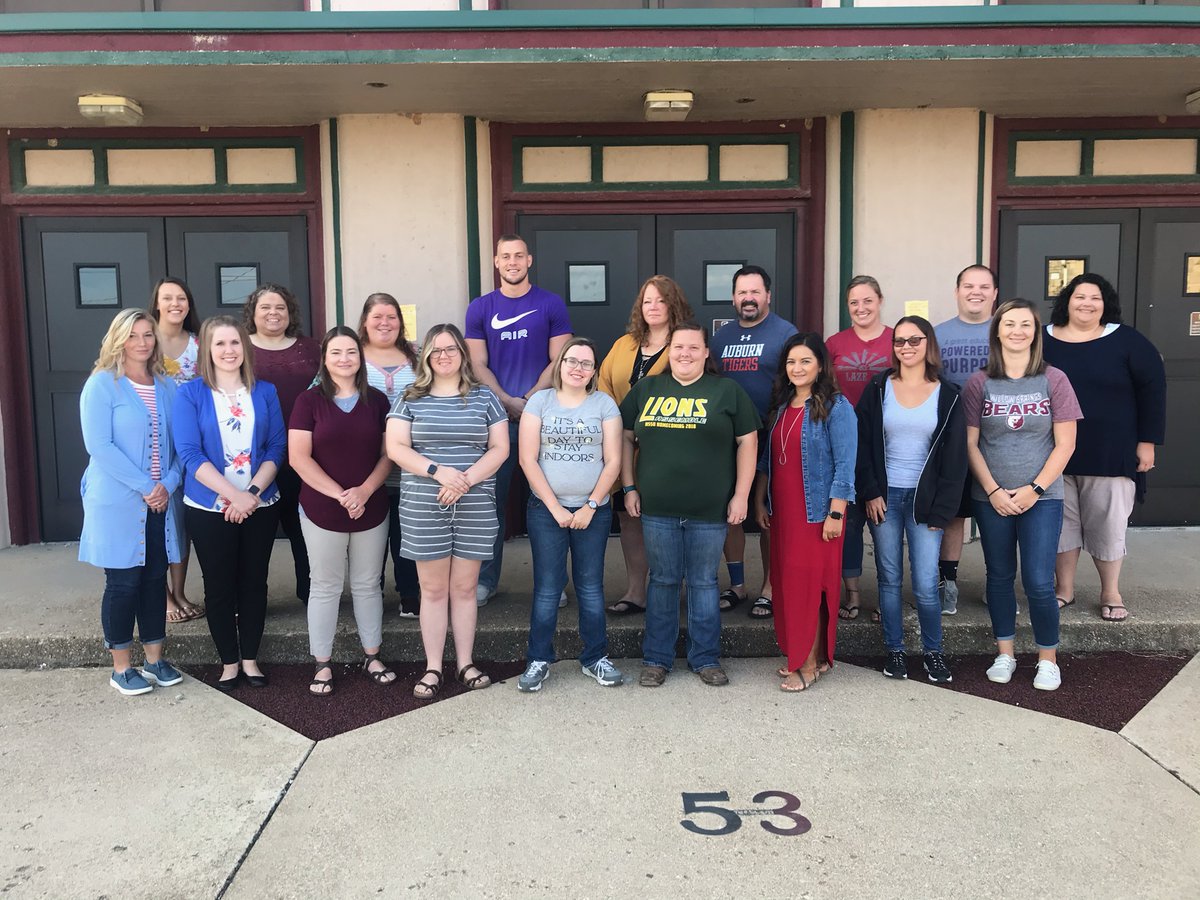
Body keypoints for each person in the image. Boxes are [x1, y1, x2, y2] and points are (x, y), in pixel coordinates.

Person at [620, 322, 759, 688]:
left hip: (709, 510)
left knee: (703, 582)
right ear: (669, 350)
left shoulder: (727, 391)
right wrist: (628, 486)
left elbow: (748, 441)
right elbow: (624, 436)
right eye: (678, 346)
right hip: (657, 509)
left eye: (694, 347)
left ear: (706, 352)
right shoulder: (647, 388)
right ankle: (656, 659)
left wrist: (741, 494)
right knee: (663, 581)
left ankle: (706, 658)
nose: (685, 353)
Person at [386, 324, 509, 700]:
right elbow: (396, 448)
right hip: (424, 504)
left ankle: (466, 663)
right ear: (426, 357)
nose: (443, 355)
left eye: (451, 348)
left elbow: (500, 449)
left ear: (462, 354)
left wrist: (465, 481)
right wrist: (440, 473)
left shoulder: (485, 398)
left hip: (474, 503)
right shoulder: (409, 397)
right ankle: (434, 666)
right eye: (435, 350)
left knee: (465, 588)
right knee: (434, 590)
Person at [964, 299, 1081, 692]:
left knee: (1038, 580)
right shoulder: (979, 383)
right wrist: (993, 490)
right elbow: (970, 445)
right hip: (991, 499)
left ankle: (1047, 659)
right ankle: (1006, 653)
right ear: (997, 331)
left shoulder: (1055, 380)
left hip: (1042, 499)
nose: (1017, 331)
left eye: (1025, 324)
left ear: (1036, 331)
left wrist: (1034, 489)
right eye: (1009, 324)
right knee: (998, 576)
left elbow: (1065, 444)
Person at [1043, 273, 1166, 622]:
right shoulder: (1043, 339)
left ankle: (1110, 591)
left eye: (1095, 298)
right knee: (1061, 526)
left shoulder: (1127, 341)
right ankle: (1063, 589)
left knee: (1108, 524)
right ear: (1066, 300)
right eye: (1079, 296)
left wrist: (1147, 443)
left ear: (1105, 304)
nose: (1086, 303)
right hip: (1052, 453)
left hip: (1111, 451)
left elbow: (1153, 392)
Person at [174, 315, 286, 692]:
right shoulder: (189, 394)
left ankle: (251, 659)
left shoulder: (265, 391)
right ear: (207, 349)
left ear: (245, 348)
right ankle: (228, 662)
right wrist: (232, 495)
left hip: (260, 504)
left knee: (254, 581)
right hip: (209, 507)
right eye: (219, 344)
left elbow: (276, 447)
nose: (228, 351)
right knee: (219, 585)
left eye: (235, 343)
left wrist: (250, 495)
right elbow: (190, 454)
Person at [79, 309, 185, 696]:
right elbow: (99, 446)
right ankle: (121, 667)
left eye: (148, 335)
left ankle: (155, 660)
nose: (142, 342)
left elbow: (178, 445)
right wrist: (145, 484)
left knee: (155, 579)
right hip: (119, 501)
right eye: (133, 335)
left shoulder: (167, 386)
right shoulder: (102, 385)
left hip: (159, 500)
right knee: (123, 582)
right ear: (117, 339)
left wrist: (168, 483)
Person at [856, 317, 967, 684]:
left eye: (914, 340)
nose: (906, 346)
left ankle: (933, 653)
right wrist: (870, 491)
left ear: (928, 344)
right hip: (885, 499)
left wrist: (943, 509)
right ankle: (896, 651)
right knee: (888, 579)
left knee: (923, 583)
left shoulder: (947, 394)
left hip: (926, 502)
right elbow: (863, 447)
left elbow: (955, 459)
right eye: (900, 341)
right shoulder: (877, 388)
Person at [465, 235, 572, 606]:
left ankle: (553, 584)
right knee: (489, 504)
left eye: (519, 256)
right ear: (496, 262)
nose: (512, 262)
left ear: (530, 260)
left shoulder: (550, 304)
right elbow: (476, 364)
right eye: (505, 256)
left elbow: (560, 360)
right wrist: (508, 401)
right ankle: (485, 581)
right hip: (495, 421)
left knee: (547, 502)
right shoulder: (480, 308)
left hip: (545, 417)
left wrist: (528, 400)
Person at [290, 327, 396, 696]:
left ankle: (372, 655)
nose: (344, 359)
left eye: (351, 352)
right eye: (336, 352)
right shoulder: (309, 402)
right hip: (322, 508)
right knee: (325, 585)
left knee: (368, 584)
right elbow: (298, 458)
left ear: (360, 357)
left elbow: (389, 454)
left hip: (371, 505)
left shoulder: (379, 401)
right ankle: (322, 662)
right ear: (325, 358)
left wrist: (364, 491)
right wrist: (341, 495)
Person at [517, 337, 624, 692]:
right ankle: (538, 659)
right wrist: (555, 508)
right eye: (572, 361)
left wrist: (591, 505)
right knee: (548, 589)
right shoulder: (539, 403)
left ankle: (595, 657)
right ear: (560, 364)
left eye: (586, 363)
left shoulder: (604, 405)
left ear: (594, 371)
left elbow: (613, 462)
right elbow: (527, 460)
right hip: (546, 511)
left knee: (591, 588)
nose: (578, 368)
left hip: (593, 511)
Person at [753, 334, 857, 692]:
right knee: (791, 587)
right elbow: (769, 460)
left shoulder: (836, 406)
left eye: (805, 362)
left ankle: (808, 664)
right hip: (785, 514)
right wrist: (759, 500)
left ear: (820, 366)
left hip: (817, 516)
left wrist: (836, 514)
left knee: (810, 589)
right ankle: (811, 655)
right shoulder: (782, 407)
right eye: (791, 362)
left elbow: (845, 466)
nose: (797, 369)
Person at [596, 275, 694, 616]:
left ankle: (669, 590)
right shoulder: (624, 344)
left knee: (668, 521)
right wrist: (614, 429)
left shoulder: (683, 345)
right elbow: (604, 386)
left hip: (666, 448)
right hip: (624, 449)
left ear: (673, 305)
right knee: (629, 518)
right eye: (647, 301)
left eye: (660, 300)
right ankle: (636, 591)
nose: (653, 307)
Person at [709, 265, 799, 620]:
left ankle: (770, 588)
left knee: (768, 516)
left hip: (772, 436)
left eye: (755, 292)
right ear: (734, 297)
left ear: (768, 296)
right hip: (726, 440)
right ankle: (737, 585)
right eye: (742, 292)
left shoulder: (785, 333)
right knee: (729, 511)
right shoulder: (719, 337)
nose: (748, 298)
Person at [243, 283, 321, 604]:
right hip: (253, 456)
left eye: (280, 308)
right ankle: (251, 601)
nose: (273, 313)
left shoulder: (311, 348)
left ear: (290, 313)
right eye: (265, 307)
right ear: (253, 313)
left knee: (304, 531)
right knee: (255, 535)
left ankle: (312, 594)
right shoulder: (238, 346)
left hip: (305, 454)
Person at [824, 276, 894, 623]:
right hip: (844, 439)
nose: (861, 308)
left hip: (887, 441)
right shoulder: (835, 343)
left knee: (884, 523)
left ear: (880, 300)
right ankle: (851, 593)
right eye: (854, 302)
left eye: (868, 300)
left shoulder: (897, 339)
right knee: (848, 522)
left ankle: (887, 593)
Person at [934, 264, 998, 615]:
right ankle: (948, 583)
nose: (976, 292)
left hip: (999, 439)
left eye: (984, 286)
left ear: (994, 293)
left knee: (996, 514)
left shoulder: (1007, 332)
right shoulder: (938, 334)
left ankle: (997, 583)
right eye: (969, 286)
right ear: (956, 291)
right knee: (953, 515)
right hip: (953, 439)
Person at [358, 293, 421, 617]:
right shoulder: (350, 355)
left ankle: (410, 593)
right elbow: (323, 393)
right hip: (366, 465)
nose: (385, 323)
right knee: (372, 534)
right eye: (377, 317)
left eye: (391, 317)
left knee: (407, 531)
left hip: (412, 465)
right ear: (365, 322)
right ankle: (371, 596)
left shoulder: (418, 356)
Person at [148, 277, 205, 624]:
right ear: (156, 302)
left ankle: (179, 590)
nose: (175, 304)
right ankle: (162, 593)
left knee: (181, 520)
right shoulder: (142, 340)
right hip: (151, 442)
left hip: (188, 442)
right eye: (167, 298)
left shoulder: (199, 345)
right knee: (157, 516)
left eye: (181, 298)